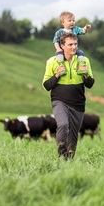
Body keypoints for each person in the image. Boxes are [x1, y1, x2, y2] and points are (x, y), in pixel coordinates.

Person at [43, 32, 95, 160]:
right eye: (70, 44)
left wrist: (86, 75)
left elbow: (90, 84)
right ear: (62, 46)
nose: (74, 47)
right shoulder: (52, 62)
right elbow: (46, 85)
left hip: (78, 103)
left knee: (73, 134)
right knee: (63, 125)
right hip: (59, 100)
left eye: (75, 44)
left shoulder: (84, 60)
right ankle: (61, 152)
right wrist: (56, 75)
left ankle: (69, 158)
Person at [53, 11, 91, 76]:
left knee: (81, 53)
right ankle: (62, 68)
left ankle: (81, 68)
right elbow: (55, 41)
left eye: (73, 20)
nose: (72, 22)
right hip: (63, 50)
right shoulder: (59, 32)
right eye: (69, 20)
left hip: (74, 50)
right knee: (59, 56)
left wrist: (86, 28)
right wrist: (58, 48)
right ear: (63, 23)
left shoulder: (75, 29)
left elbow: (83, 31)